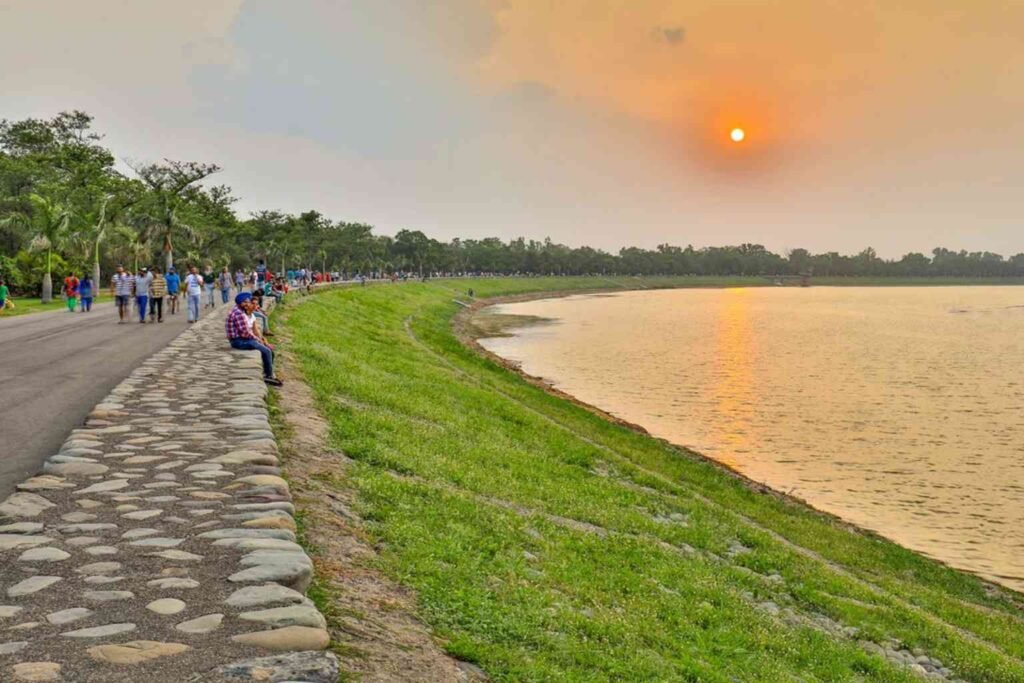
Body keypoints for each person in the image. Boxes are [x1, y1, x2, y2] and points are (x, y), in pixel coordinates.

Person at [226, 292, 282, 386]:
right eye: (247, 302)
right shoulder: (238, 313)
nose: (248, 304)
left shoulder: (240, 311)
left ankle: (269, 372)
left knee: (268, 351)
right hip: (238, 341)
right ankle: (269, 376)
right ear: (242, 303)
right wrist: (257, 339)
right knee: (266, 351)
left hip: (242, 339)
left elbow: (250, 330)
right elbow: (245, 333)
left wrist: (259, 339)